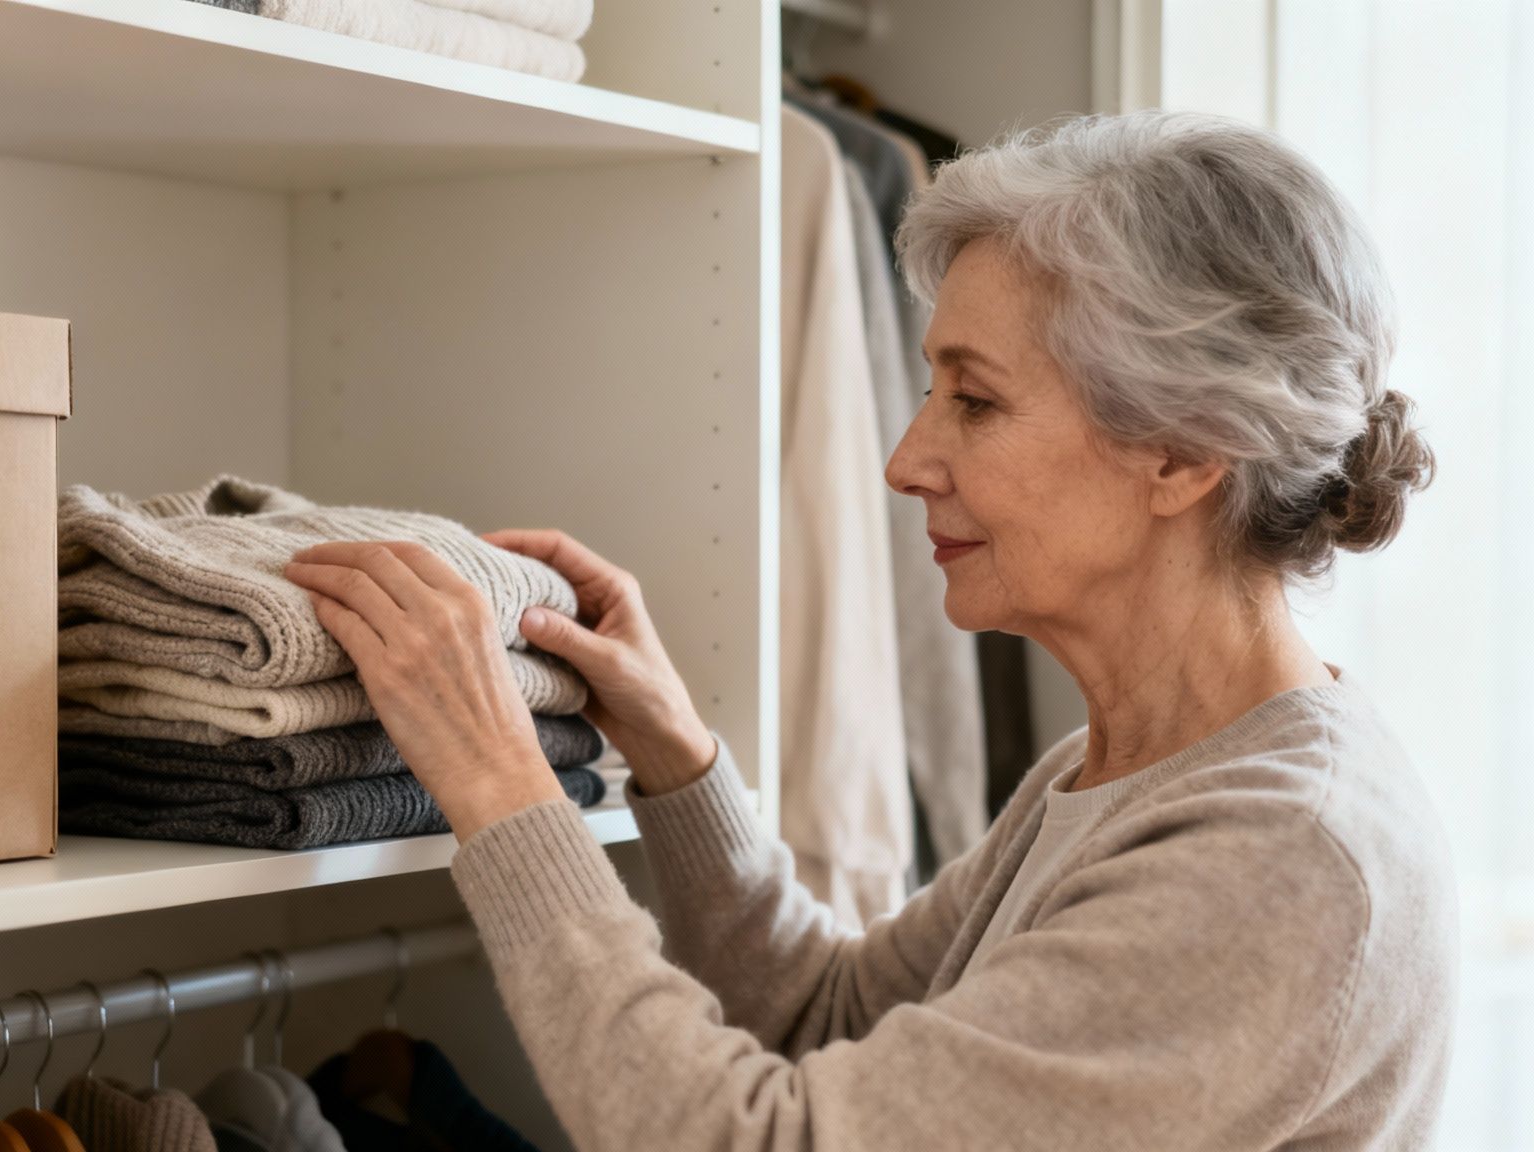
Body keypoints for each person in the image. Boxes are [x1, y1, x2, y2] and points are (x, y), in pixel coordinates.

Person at [281, 111, 1457, 1150]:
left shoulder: (1278, 858)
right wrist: (676, 755)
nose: (904, 461)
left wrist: (500, 788)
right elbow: (830, 1021)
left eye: (975, 400)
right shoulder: (1128, 766)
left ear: (1185, 450)